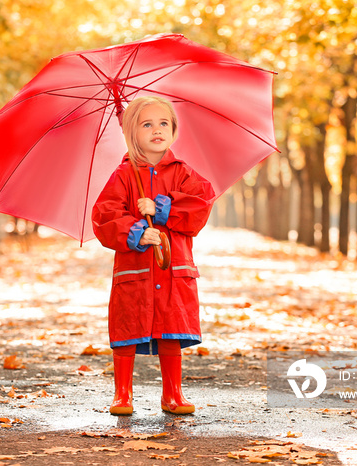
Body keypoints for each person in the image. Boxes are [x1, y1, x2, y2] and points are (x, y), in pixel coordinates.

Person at [92, 96, 216, 415]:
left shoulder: (183, 173)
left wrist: (162, 208)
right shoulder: (123, 175)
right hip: (135, 268)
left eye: (164, 123)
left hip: (173, 268)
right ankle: (123, 394)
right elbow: (105, 215)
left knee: (170, 325)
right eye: (146, 124)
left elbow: (200, 205)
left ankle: (172, 393)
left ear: (174, 130)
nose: (156, 130)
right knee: (127, 327)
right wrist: (136, 231)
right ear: (132, 132)